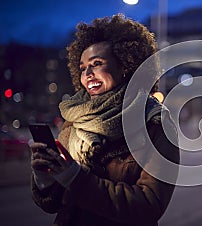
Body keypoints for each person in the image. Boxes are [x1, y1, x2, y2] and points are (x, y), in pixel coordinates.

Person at [30, 14, 179, 226]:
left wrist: (76, 179)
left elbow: (148, 205)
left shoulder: (155, 124)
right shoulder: (75, 118)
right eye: (82, 68)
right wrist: (44, 179)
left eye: (96, 63)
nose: (87, 74)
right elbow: (53, 205)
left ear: (125, 66)